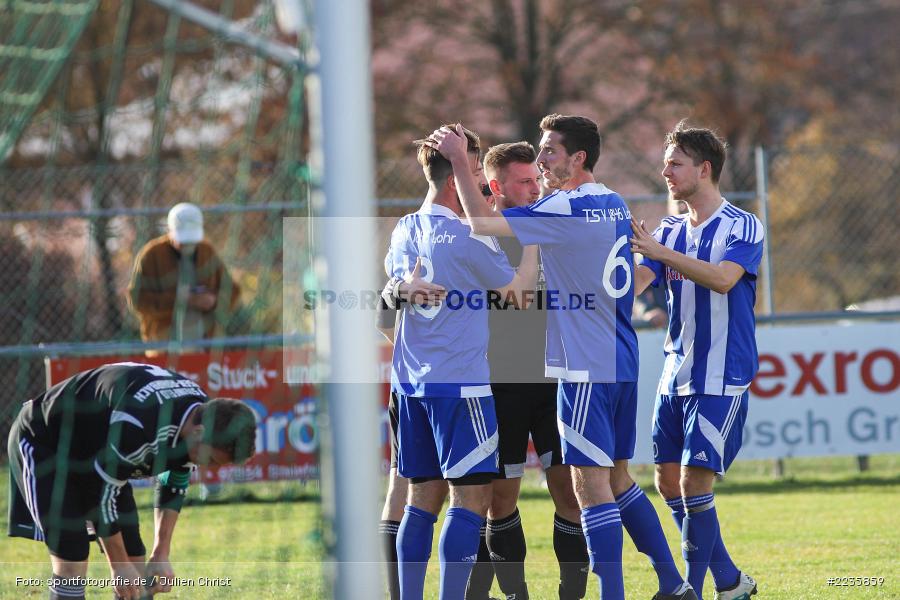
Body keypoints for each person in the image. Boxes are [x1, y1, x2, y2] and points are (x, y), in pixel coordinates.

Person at [427, 116, 695, 600]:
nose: (542, 159)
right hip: (621, 358)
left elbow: (482, 223)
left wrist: (458, 160)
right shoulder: (612, 201)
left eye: (550, 151)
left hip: (583, 364)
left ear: (578, 158)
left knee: (590, 488)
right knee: (618, 480)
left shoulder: (563, 206)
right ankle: (673, 582)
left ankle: (614, 594)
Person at [385, 125, 538, 600]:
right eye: (474, 174)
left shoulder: (404, 228)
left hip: (409, 386)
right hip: (461, 387)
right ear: (456, 180)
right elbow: (518, 295)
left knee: (419, 502)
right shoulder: (467, 237)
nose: (481, 187)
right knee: (470, 500)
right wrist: (535, 241)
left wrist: (396, 291)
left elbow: (389, 301)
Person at [630, 121, 762, 600]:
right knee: (668, 483)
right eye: (666, 163)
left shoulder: (743, 224)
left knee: (693, 482)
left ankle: (691, 591)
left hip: (721, 374)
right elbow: (634, 286)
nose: (665, 172)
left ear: (704, 169)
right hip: (674, 374)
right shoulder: (666, 230)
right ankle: (730, 581)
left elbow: (724, 279)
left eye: (675, 163)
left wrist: (662, 253)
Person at [7, 362, 257, 600]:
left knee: (135, 561)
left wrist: (161, 552)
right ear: (198, 433)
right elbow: (99, 496)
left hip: (98, 455)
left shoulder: (200, 415)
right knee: (72, 558)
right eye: (211, 459)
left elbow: (175, 477)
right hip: (46, 443)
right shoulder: (138, 424)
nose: (210, 468)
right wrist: (118, 565)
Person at [465, 141, 588, 600]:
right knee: (500, 501)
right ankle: (516, 594)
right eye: (524, 182)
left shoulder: (551, 224)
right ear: (496, 187)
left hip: (556, 382)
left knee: (572, 494)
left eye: (536, 179)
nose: (535, 189)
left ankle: (571, 594)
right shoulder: (483, 236)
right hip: (503, 384)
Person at [127, 202, 241, 350]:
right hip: (164, 342)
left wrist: (213, 301)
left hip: (205, 342)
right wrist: (178, 300)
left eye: (192, 240)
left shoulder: (207, 252)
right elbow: (137, 300)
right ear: (169, 230)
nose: (188, 245)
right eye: (183, 241)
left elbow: (233, 291)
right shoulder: (151, 255)